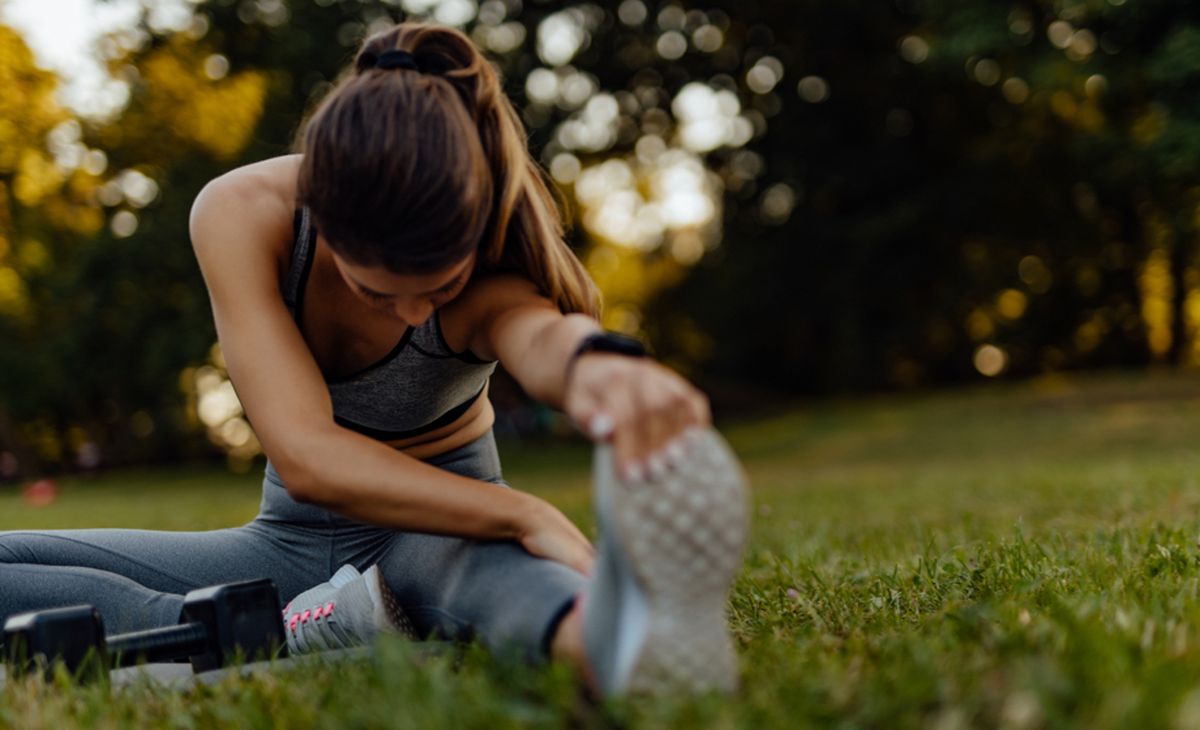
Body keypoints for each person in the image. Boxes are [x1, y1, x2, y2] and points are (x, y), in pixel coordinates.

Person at [0, 22, 747, 696]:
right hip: (287, 540)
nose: (417, 312)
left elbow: (541, 336)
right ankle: (275, 632)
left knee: (533, 603)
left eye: (440, 287)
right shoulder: (239, 215)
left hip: (443, 532)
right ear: (317, 212)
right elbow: (308, 458)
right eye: (376, 290)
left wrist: (600, 366)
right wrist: (522, 510)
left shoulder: (487, 252)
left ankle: (637, 644)